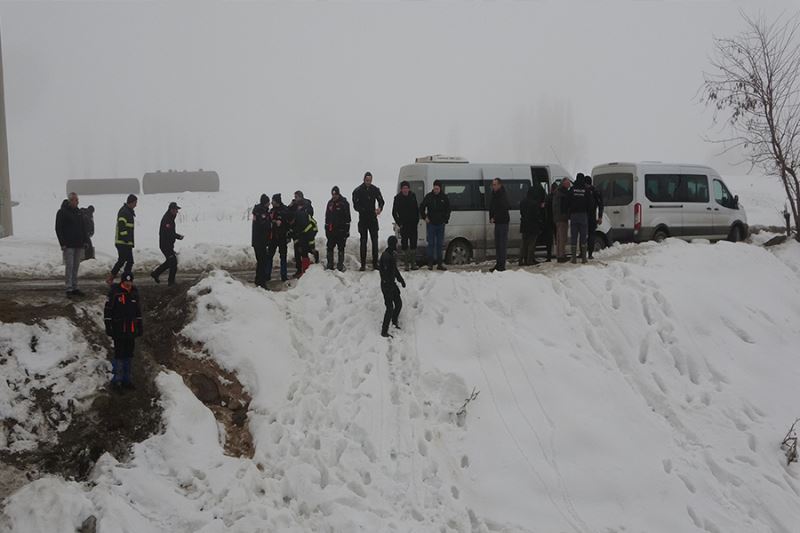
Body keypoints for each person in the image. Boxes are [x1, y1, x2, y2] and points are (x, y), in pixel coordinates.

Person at [103, 272, 143, 392]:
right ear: (122, 281)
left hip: (130, 330)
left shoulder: (135, 294)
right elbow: (108, 311)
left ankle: (127, 380)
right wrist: (109, 326)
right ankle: (117, 381)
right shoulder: (115, 293)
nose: (128, 284)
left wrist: (139, 327)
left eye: (130, 282)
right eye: (126, 282)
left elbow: (138, 313)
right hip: (118, 329)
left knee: (129, 355)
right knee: (119, 355)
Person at [55, 192, 88, 297]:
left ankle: (75, 287)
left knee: (76, 266)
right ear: (70, 201)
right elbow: (58, 228)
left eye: (77, 199)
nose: (77, 201)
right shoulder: (62, 212)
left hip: (78, 244)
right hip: (68, 245)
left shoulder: (78, 212)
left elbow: (83, 228)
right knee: (69, 266)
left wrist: (85, 240)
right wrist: (62, 243)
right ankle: (68, 288)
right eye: (75, 200)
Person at [352, 171, 385, 271]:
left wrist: (380, 208)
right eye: (367, 180)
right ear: (364, 179)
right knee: (363, 241)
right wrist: (363, 210)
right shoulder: (358, 190)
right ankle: (363, 264)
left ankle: (375, 264)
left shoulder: (375, 189)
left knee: (375, 241)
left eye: (370, 180)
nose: (368, 182)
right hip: (363, 219)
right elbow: (355, 206)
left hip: (373, 219)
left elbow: (381, 201)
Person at [419, 180, 451, 271]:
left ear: (440, 188)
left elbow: (448, 209)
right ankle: (430, 264)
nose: (436, 190)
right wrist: (425, 217)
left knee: (440, 244)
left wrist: (446, 219)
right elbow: (421, 207)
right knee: (431, 244)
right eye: (435, 188)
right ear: (433, 187)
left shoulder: (444, 197)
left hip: (440, 224)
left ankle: (440, 264)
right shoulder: (429, 197)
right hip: (431, 225)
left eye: (437, 188)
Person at [378, 235, 406, 338]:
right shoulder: (386, 257)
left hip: (391, 284)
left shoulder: (391, 254)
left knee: (398, 303)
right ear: (393, 244)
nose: (397, 246)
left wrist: (401, 280)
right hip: (386, 286)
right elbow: (384, 273)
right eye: (396, 244)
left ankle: (394, 322)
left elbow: (394, 270)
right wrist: (388, 286)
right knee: (390, 308)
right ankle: (384, 331)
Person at [150, 201, 184, 286]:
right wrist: (178, 236)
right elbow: (169, 233)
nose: (177, 211)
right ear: (171, 210)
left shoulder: (171, 218)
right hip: (165, 245)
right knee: (173, 263)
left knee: (170, 262)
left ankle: (155, 273)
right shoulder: (167, 219)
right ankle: (171, 282)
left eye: (177, 210)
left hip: (168, 245)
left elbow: (170, 233)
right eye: (176, 210)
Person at [107, 194, 137, 284]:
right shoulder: (124, 212)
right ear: (131, 202)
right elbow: (122, 226)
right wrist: (126, 238)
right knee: (124, 260)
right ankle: (118, 279)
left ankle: (121, 279)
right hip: (122, 242)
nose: (136, 205)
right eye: (135, 203)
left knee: (126, 261)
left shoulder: (128, 212)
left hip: (126, 242)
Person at [392, 181, 420, 271]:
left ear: (409, 188)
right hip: (404, 225)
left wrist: (416, 220)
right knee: (404, 244)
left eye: (406, 188)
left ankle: (413, 263)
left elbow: (416, 209)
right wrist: (399, 223)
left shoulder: (413, 196)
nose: (405, 190)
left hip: (413, 224)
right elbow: (394, 212)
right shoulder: (397, 198)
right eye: (403, 188)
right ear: (401, 189)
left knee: (413, 244)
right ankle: (406, 264)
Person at [287, 202, 318, 278]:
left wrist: (311, 245)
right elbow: (293, 231)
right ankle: (300, 270)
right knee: (298, 249)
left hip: (311, 229)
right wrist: (289, 237)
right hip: (302, 232)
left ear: (294, 219)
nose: (290, 223)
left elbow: (309, 232)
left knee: (305, 249)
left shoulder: (302, 219)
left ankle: (305, 271)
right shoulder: (293, 221)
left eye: (291, 222)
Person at [325, 186, 351, 271]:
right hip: (331, 230)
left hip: (341, 230)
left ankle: (340, 265)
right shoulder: (330, 203)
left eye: (335, 194)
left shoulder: (344, 203)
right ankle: (330, 264)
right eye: (332, 195)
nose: (334, 196)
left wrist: (347, 230)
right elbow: (327, 216)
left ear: (338, 194)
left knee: (341, 247)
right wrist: (326, 228)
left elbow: (348, 218)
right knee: (329, 247)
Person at [519, 183, 546, 266]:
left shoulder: (522, 202)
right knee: (531, 244)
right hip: (533, 226)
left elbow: (522, 213)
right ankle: (529, 260)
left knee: (524, 244)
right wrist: (540, 223)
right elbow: (536, 215)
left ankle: (521, 260)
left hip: (524, 225)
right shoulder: (534, 203)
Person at [567, 173, 591, 264]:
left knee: (574, 236)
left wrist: (570, 212)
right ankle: (584, 258)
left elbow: (567, 202)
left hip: (574, 215)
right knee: (583, 236)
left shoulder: (572, 190)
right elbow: (590, 203)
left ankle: (573, 258)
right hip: (583, 215)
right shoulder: (586, 190)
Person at [267, 194, 289, 282]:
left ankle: (284, 276)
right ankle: (267, 275)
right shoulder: (272, 211)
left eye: (273, 201)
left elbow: (287, 221)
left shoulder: (285, 210)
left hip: (282, 237)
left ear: (277, 201)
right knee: (269, 256)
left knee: (283, 256)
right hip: (273, 237)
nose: (272, 203)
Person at [489, 177, 510, 272]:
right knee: (497, 244)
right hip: (497, 222)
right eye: (492, 184)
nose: (493, 186)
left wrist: (495, 217)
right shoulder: (494, 194)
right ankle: (498, 264)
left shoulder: (502, 194)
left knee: (502, 244)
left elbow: (502, 208)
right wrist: (491, 216)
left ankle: (502, 265)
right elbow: (492, 206)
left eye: (495, 184)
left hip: (503, 222)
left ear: (499, 185)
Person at [251, 194, 271, 288]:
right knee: (262, 260)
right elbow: (264, 225)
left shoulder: (260, 211)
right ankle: (261, 281)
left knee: (261, 261)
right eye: (268, 202)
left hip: (259, 240)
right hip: (260, 240)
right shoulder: (261, 212)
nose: (269, 204)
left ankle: (258, 279)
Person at [552, 178, 571, 263]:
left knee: (559, 237)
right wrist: (566, 215)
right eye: (567, 183)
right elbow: (563, 206)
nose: (569, 184)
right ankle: (561, 255)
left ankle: (559, 254)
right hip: (562, 218)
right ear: (563, 183)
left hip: (557, 218)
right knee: (562, 237)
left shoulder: (557, 192)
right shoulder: (563, 193)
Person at [585, 176, 604, 259]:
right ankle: (589, 254)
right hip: (592, 216)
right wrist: (600, 216)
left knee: (584, 235)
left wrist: (600, 216)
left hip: (585, 216)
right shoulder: (596, 191)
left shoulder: (585, 191)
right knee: (591, 235)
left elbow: (600, 204)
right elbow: (601, 204)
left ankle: (585, 253)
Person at [544, 182, 558, 262]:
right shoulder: (557, 197)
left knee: (549, 240)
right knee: (558, 238)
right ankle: (559, 254)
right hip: (556, 220)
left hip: (548, 220)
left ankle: (548, 256)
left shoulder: (548, 197)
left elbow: (545, 208)